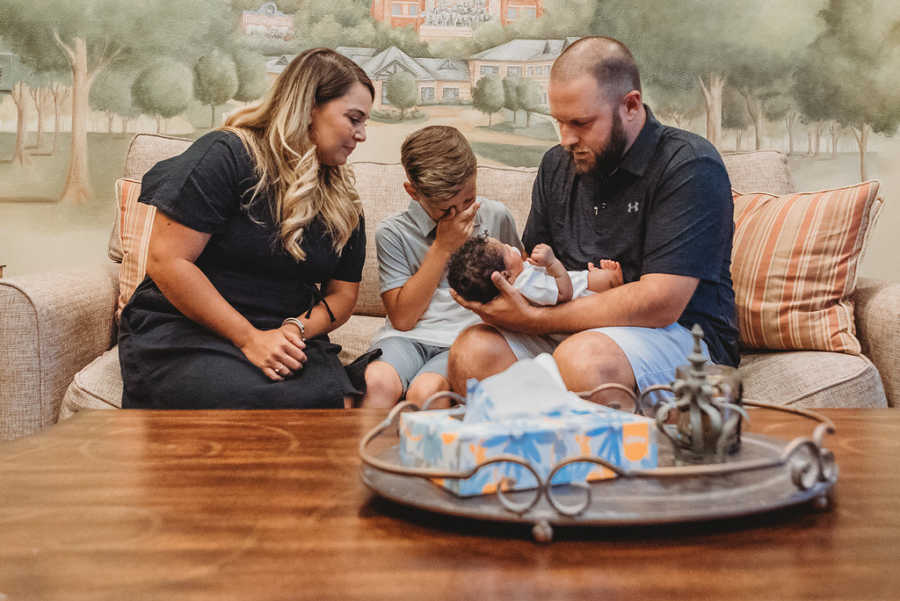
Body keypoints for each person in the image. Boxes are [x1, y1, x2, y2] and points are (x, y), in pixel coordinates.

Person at [448, 36, 739, 406]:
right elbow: (534, 266)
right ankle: (523, 463)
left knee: (583, 359)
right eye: (559, 122)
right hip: (575, 324)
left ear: (630, 105)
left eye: (581, 123)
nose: (567, 139)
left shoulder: (688, 165)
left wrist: (534, 321)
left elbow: (660, 303)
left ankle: (608, 463)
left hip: (682, 335)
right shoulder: (557, 164)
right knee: (471, 352)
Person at [118, 48, 376, 410]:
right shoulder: (227, 154)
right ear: (309, 107)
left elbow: (343, 295)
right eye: (354, 118)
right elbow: (167, 261)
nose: (361, 134)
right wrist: (249, 339)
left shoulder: (341, 197)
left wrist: (293, 330)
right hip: (190, 327)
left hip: (284, 331)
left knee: (335, 403)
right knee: (256, 402)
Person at [360, 126, 522, 408]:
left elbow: (523, 278)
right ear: (413, 193)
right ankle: (359, 453)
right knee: (377, 381)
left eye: (468, 201)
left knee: (427, 390)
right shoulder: (393, 232)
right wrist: (442, 247)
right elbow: (403, 319)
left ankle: (427, 452)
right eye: (445, 210)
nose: (460, 215)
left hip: (464, 339)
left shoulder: (496, 217)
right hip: (405, 339)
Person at [447, 233, 622, 305]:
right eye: (507, 250)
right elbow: (564, 293)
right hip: (580, 296)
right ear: (506, 276)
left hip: (573, 290)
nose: (510, 246)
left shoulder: (515, 288)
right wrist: (552, 263)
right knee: (605, 279)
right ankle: (615, 281)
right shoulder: (525, 284)